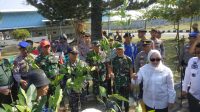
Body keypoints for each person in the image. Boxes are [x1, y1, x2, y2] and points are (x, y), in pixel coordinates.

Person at [109, 43, 133, 112]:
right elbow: (110, 69)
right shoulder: (113, 60)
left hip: (126, 83)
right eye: (118, 49)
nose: (119, 50)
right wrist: (111, 73)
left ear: (124, 49)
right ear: (116, 50)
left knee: (126, 101)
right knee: (118, 100)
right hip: (117, 83)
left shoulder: (128, 59)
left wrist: (132, 82)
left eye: (121, 49)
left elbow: (131, 72)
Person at [64, 48, 88, 112]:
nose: (76, 55)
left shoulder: (83, 63)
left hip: (82, 89)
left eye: (77, 53)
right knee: (74, 108)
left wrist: (83, 85)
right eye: (73, 53)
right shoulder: (65, 65)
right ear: (69, 54)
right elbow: (64, 79)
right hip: (72, 91)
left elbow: (87, 76)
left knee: (84, 107)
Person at [134, 40, 152, 112]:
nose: (145, 48)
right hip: (142, 78)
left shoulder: (153, 54)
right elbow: (136, 64)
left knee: (150, 93)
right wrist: (137, 74)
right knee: (141, 93)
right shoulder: (140, 54)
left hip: (151, 78)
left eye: (146, 46)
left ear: (150, 46)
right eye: (144, 46)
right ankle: (143, 109)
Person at [182, 42, 200, 112]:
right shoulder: (192, 60)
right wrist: (184, 89)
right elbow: (187, 75)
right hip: (193, 95)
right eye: (197, 52)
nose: (199, 54)